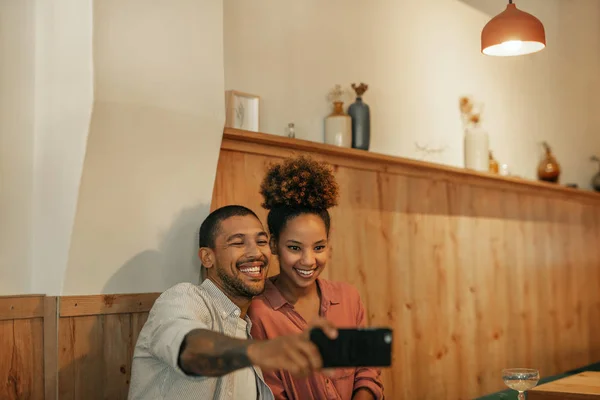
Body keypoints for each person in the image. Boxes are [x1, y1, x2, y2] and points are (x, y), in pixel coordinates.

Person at [128, 205, 338, 400]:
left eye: (261, 242)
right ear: (207, 257)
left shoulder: (246, 326)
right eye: (238, 242)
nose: (256, 253)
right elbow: (189, 349)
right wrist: (263, 351)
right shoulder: (184, 298)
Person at [248, 156, 384, 400]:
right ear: (274, 245)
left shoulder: (348, 297)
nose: (309, 261)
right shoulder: (259, 313)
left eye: (318, 247)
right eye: (295, 248)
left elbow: (368, 369)